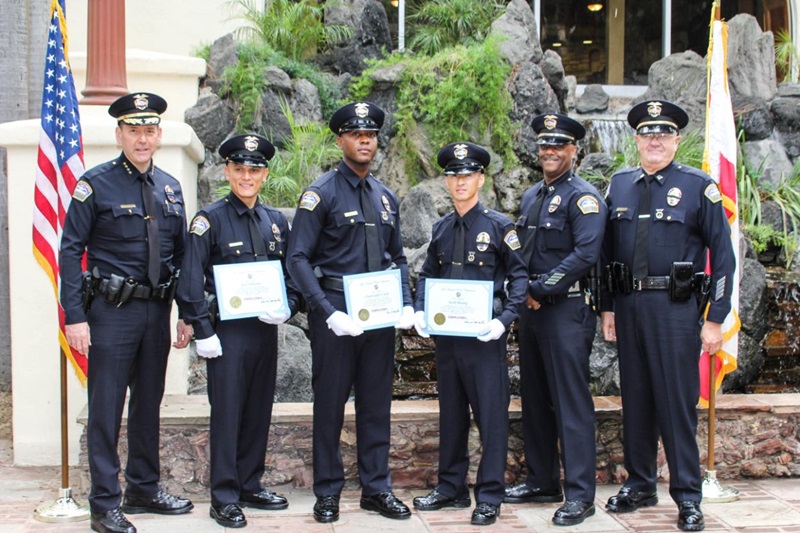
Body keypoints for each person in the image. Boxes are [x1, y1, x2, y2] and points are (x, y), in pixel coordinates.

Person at [60, 92, 194, 533]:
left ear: (158, 135)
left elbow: (180, 256)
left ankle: (143, 487)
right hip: (110, 314)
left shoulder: (170, 187)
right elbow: (71, 251)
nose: (142, 138)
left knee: (147, 406)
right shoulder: (94, 184)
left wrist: (186, 313)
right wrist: (75, 316)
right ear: (119, 134)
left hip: (156, 312)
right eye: (133, 130)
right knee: (105, 407)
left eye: (149, 130)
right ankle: (104, 503)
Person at [600, 100, 735, 532]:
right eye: (646, 133)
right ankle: (640, 484)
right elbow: (604, 255)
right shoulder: (618, 185)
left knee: (676, 404)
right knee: (636, 401)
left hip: (675, 310)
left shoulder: (698, 186)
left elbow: (725, 257)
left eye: (663, 133)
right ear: (636, 139)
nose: (654, 140)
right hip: (627, 306)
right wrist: (606, 306)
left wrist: (716, 317)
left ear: (677, 139)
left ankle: (688, 496)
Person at [286, 101, 416, 524]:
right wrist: (324, 311)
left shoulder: (385, 196)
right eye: (356, 134)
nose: (365, 141)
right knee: (329, 405)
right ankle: (327, 492)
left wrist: (405, 302)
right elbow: (298, 258)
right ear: (340, 139)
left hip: (379, 315)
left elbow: (397, 258)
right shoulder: (319, 193)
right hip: (336, 313)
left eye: (371, 135)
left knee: (377, 405)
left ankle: (376, 489)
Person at [175, 134, 300, 528]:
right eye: (240, 169)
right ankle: (224, 495)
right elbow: (190, 280)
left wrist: (288, 307)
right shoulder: (208, 220)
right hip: (225, 335)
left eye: (255, 170)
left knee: (258, 411)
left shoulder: (276, 221)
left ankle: (250, 483)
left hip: (265, 331)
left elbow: (292, 275)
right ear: (227, 171)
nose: (247, 176)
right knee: (227, 414)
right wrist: (202, 330)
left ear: (265, 174)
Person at [412, 142, 527, 526]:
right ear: (446, 181)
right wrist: (421, 309)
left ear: (480, 178)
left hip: (484, 339)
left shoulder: (499, 226)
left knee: (491, 417)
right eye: (453, 175)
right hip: (448, 341)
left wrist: (505, 319)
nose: (460, 181)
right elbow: (428, 273)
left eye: (467, 175)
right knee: (452, 416)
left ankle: (490, 495)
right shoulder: (442, 228)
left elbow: (520, 277)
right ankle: (451, 488)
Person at [504, 114, 606, 526]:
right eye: (545, 145)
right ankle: (542, 480)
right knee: (534, 402)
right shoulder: (532, 196)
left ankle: (580, 495)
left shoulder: (585, 198)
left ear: (573, 150)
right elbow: (521, 252)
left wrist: (539, 288)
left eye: (558, 145)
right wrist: (519, 286)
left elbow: (585, 255)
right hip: (532, 316)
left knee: (570, 404)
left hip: (566, 312)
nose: (549, 151)